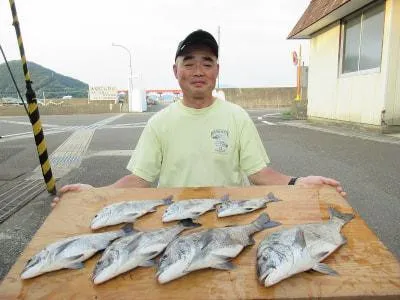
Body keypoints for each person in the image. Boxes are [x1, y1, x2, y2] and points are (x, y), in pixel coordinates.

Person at [52, 29, 345, 207]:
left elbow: (260, 174)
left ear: (217, 71)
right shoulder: (160, 123)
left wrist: (298, 182)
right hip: (174, 218)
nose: (198, 70)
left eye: (207, 62)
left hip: (231, 217)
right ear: (175, 71)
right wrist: (95, 193)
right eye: (188, 62)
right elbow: (140, 179)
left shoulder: (237, 117)